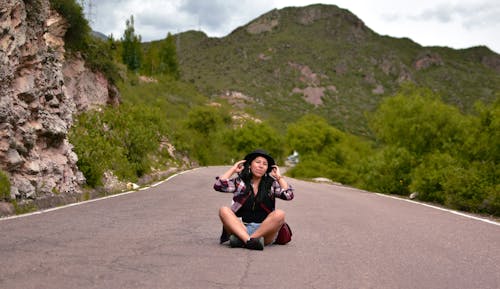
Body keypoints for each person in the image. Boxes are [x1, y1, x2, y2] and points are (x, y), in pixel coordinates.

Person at [213, 149, 294, 250]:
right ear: (250, 165)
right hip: (240, 227)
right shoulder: (240, 182)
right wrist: (233, 169)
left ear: (267, 168)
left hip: (263, 231)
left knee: (280, 214)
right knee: (223, 210)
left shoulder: (271, 184)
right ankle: (250, 241)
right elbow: (218, 186)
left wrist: (279, 177)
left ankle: (244, 240)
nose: (261, 166)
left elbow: (289, 195)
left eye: (264, 164)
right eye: (258, 162)